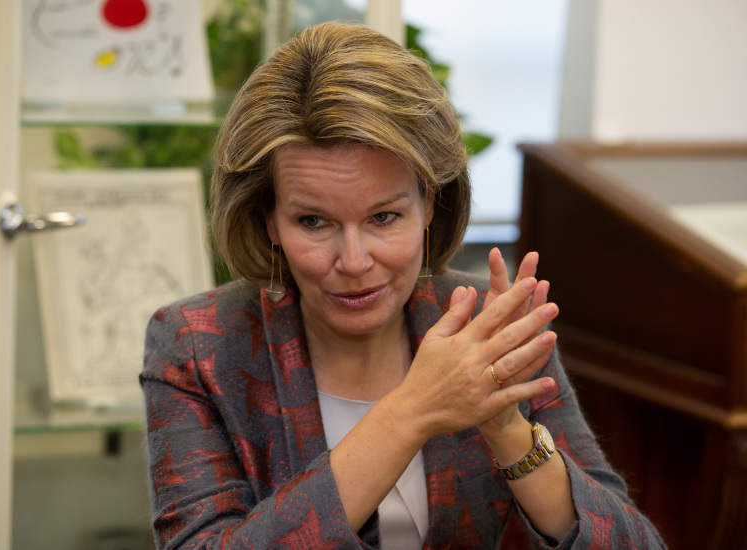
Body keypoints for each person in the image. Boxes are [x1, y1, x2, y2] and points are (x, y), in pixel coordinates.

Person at [141, 22, 665, 550]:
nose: (353, 260)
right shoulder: (198, 344)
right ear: (269, 221)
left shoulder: (488, 322)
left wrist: (508, 430)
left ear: (429, 204)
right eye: (313, 222)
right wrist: (411, 411)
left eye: (385, 217)